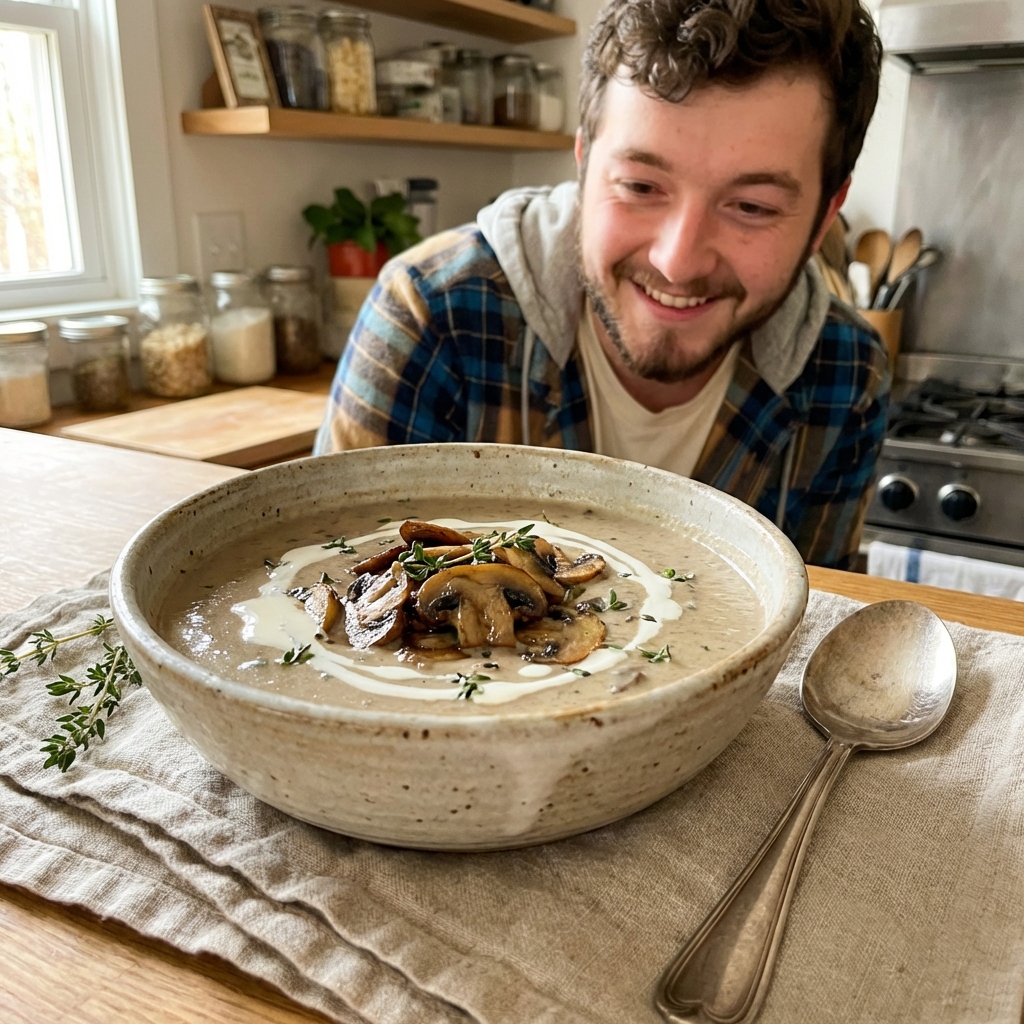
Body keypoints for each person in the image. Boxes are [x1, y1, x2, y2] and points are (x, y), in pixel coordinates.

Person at [314, 0, 891, 570]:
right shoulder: (428, 316)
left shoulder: (846, 377)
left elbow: (813, 634)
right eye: (641, 186)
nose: (677, 263)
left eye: (751, 206)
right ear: (584, 162)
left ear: (824, 217)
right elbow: (335, 602)